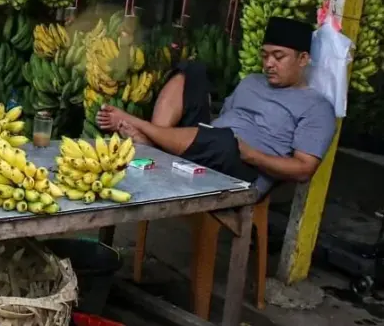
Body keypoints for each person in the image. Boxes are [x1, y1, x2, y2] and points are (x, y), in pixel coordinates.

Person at [97, 17, 336, 195]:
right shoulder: (252, 81)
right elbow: (223, 117)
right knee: (194, 72)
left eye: (278, 56)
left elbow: (304, 169)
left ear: (303, 59)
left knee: (224, 140)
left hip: (245, 167)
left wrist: (253, 155)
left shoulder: (317, 107)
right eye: (264, 56)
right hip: (212, 145)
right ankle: (158, 143)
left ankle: (144, 131)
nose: (269, 64)